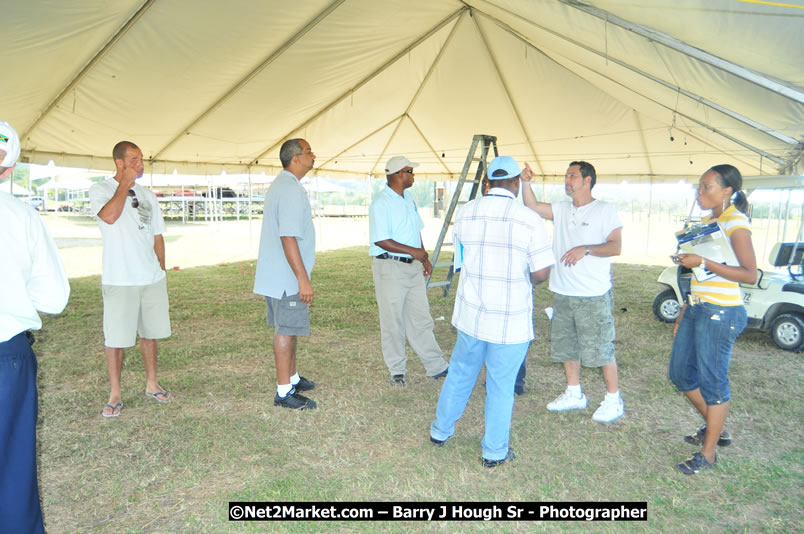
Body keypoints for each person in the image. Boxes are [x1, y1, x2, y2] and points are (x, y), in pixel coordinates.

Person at [430, 156, 554, 467]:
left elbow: (460, 262)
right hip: (509, 320)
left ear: (489, 181)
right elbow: (541, 273)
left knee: (459, 373)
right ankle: (494, 451)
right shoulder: (529, 219)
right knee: (501, 386)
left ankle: (440, 431)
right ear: (515, 183)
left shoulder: (466, 213)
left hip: (472, 314)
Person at [0, 120, 70, 533]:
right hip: (6, 355)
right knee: (12, 468)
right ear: (8, 170)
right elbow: (53, 299)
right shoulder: (21, 216)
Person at [521, 160, 625, 423]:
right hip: (563, 292)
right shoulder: (563, 209)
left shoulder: (604, 210)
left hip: (592, 294)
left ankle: (614, 399)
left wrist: (586, 248)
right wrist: (525, 183)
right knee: (566, 346)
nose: (567, 181)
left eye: (572, 176)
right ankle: (574, 393)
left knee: (600, 348)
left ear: (587, 180)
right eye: (566, 176)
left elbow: (615, 247)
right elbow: (532, 206)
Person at [669, 164, 755, 474]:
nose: (700, 192)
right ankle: (716, 428)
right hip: (698, 308)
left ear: (727, 191)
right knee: (680, 375)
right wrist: (684, 310)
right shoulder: (708, 222)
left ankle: (708, 454)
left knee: (713, 382)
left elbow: (748, 273)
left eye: (707, 187)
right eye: (699, 187)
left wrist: (702, 260)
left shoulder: (736, 223)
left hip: (722, 313)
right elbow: (701, 276)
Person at [89, 141, 173, 417]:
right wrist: (124, 184)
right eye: (134, 159)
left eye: (142, 159)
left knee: (150, 335)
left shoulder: (148, 194)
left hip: (150, 278)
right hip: (119, 279)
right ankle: (115, 393)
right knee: (116, 339)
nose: (141, 164)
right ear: (119, 163)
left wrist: (160, 269)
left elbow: (157, 235)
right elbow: (110, 218)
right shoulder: (100, 190)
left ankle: (152, 383)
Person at [369, 156, 449, 386]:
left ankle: (436, 366)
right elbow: (382, 240)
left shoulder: (409, 199)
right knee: (392, 322)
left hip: (412, 267)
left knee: (421, 318)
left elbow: (416, 231)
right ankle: (397, 370)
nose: (414, 175)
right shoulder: (380, 204)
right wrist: (415, 252)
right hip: (390, 266)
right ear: (398, 174)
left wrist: (423, 256)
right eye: (410, 171)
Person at [254, 139, 318, 410]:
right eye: (309, 152)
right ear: (296, 159)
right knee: (285, 329)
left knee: (289, 328)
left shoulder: (282, 184)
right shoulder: (289, 189)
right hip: (286, 276)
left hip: (278, 274)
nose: (314, 155)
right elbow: (288, 236)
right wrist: (302, 278)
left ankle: (291, 378)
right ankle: (283, 392)